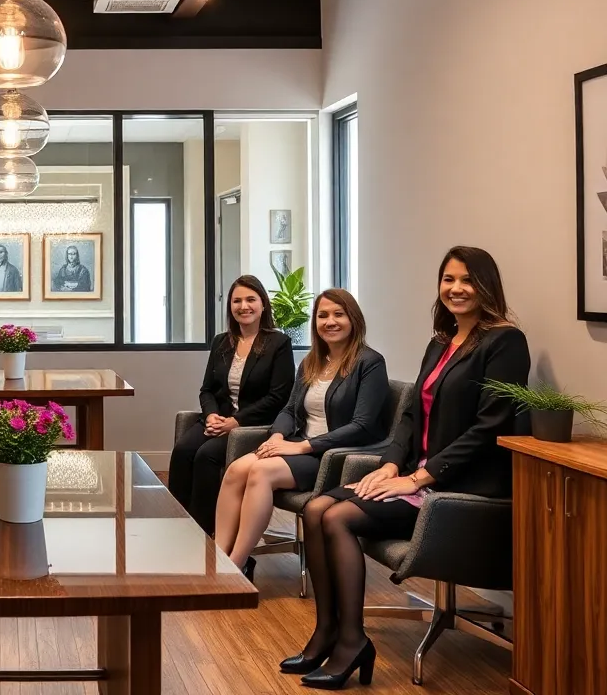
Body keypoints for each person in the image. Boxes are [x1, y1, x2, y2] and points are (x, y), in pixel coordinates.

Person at [286, 247, 530, 689]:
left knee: (336, 516)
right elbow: (411, 415)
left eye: (467, 280)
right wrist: (390, 464)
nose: (456, 289)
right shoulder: (441, 341)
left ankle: (351, 641)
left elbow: (488, 427)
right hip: (418, 476)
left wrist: (417, 477)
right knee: (316, 509)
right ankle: (326, 632)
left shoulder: (505, 342)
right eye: (448, 279)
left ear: (487, 285)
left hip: (462, 488)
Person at [214, 289, 390, 580]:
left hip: (333, 456)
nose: (330, 322)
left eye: (338, 314)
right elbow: (290, 409)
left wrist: (305, 447)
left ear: (353, 320)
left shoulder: (369, 363)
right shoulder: (312, 362)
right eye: (322, 316)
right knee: (235, 470)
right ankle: (219, 556)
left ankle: (236, 565)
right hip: (299, 447)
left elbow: (363, 425)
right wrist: (278, 437)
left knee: (260, 473)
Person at [168, 275, 294, 535]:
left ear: (263, 305)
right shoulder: (221, 342)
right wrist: (212, 414)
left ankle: (203, 532)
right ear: (230, 307)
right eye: (237, 301)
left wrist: (236, 421)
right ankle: (178, 525)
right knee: (182, 451)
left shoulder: (278, 344)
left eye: (251, 299)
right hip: (218, 420)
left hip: (253, 426)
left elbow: (278, 397)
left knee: (206, 456)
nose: (243, 306)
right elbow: (207, 389)